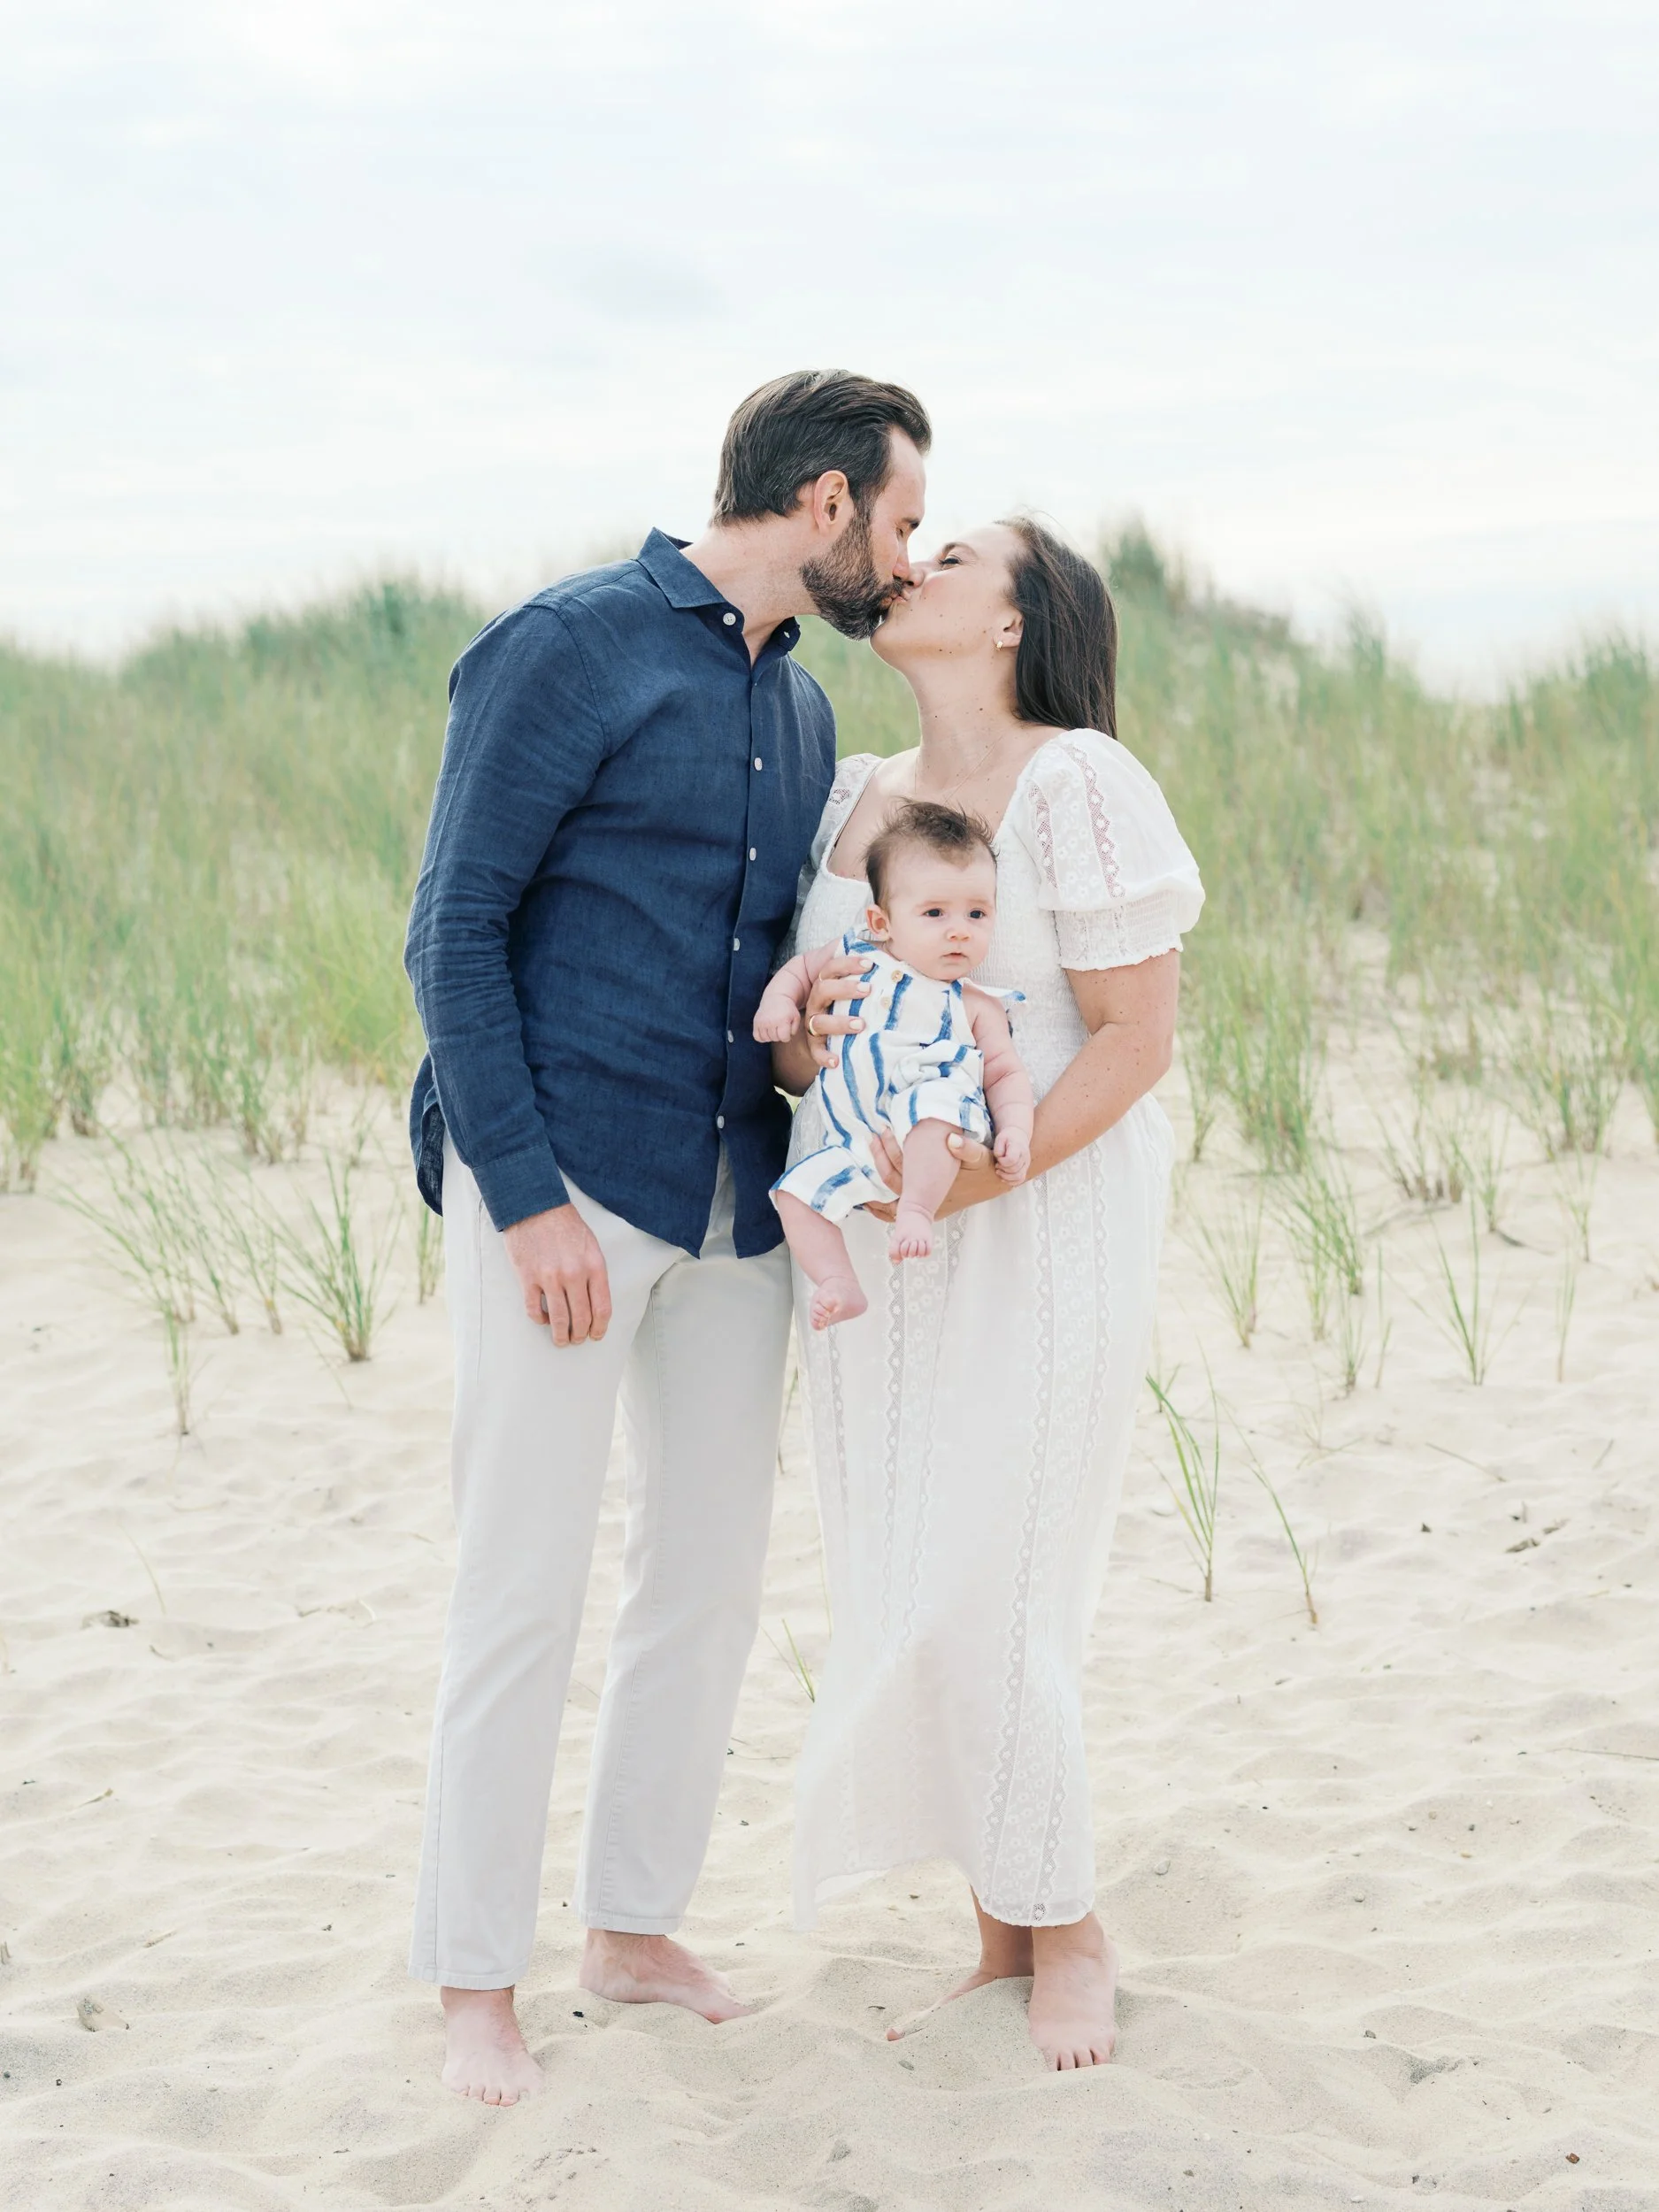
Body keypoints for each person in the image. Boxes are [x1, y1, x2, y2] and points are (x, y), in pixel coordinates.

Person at [402, 369, 930, 2105]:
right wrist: (523, 1192)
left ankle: (629, 1926)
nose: (904, 557)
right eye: (902, 518)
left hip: (733, 1206)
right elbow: (453, 929)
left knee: (700, 1582)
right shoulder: (564, 644)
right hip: (563, 1191)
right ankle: (475, 1973)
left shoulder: (795, 715)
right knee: (520, 1583)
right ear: (829, 503)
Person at [770, 518, 1204, 2071]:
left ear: (1017, 620)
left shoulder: (1075, 780)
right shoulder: (854, 799)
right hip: (885, 1242)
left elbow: (1132, 1042)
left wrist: (979, 1186)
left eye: (953, 551)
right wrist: (807, 1049)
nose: (911, 560)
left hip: (1037, 1216)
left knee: (1002, 1568)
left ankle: (1070, 1926)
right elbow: (828, 1037)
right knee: (915, 1567)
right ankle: (999, 1935)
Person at [756, 799, 1033, 1326]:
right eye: (935, 913)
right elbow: (799, 971)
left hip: (934, 1127)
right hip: (855, 1141)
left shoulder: (974, 1004)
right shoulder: (858, 955)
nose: (959, 931)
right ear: (881, 921)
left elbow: (1004, 1073)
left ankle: (917, 1209)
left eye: (977, 913)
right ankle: (837, 1280)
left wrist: (1016, 1132)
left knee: (933, 1106)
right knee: (792, 1195)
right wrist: (776, 1004)